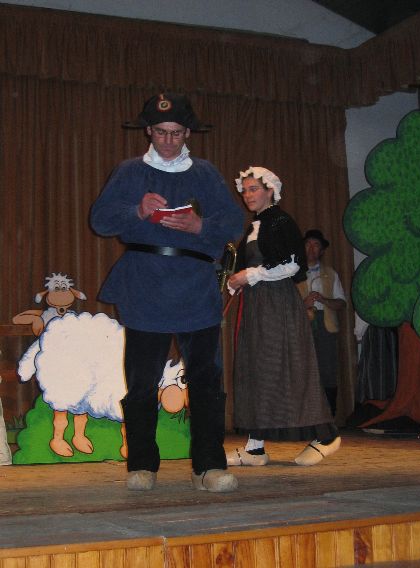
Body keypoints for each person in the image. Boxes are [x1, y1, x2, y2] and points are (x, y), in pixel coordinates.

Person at [90, 92, 244, 492]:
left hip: (196, 286)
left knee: (206, 380)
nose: (169, 140)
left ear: (188, 132)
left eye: (176, 132)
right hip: (145, 285)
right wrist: (137, 211)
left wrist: (200, 227)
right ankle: (142, 465)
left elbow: (233, 223)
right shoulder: (129, 171)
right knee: (141, 381)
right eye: (161, 132)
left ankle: (209, 467)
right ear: (148, 131)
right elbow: (101, 220)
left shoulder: (205, 173)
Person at [226, 167, 340, 468]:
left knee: (288, 369)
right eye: (245, 190)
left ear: (270, 191)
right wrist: (237, 279)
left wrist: (249, 275)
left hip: (277, 304)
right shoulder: (256, 226)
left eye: (254, 189)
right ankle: (255, 448)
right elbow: (247, 266)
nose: (247, 195)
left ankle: (327, 436)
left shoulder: (279, 221)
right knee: (258, 370)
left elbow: (291, 264)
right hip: (258, 305)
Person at [298, 230, 347, 416]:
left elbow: (341, 303)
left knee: (327, 370)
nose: (311, 248)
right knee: (302, 369)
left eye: (316, 245)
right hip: (301, 326)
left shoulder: (330, 274)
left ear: (322, 251)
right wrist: (303, 304)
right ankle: (305, 417)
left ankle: (329, 415)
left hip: (326, 325)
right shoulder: (293, 274)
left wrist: (324, 300)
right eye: (307, 244)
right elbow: (284, 306)